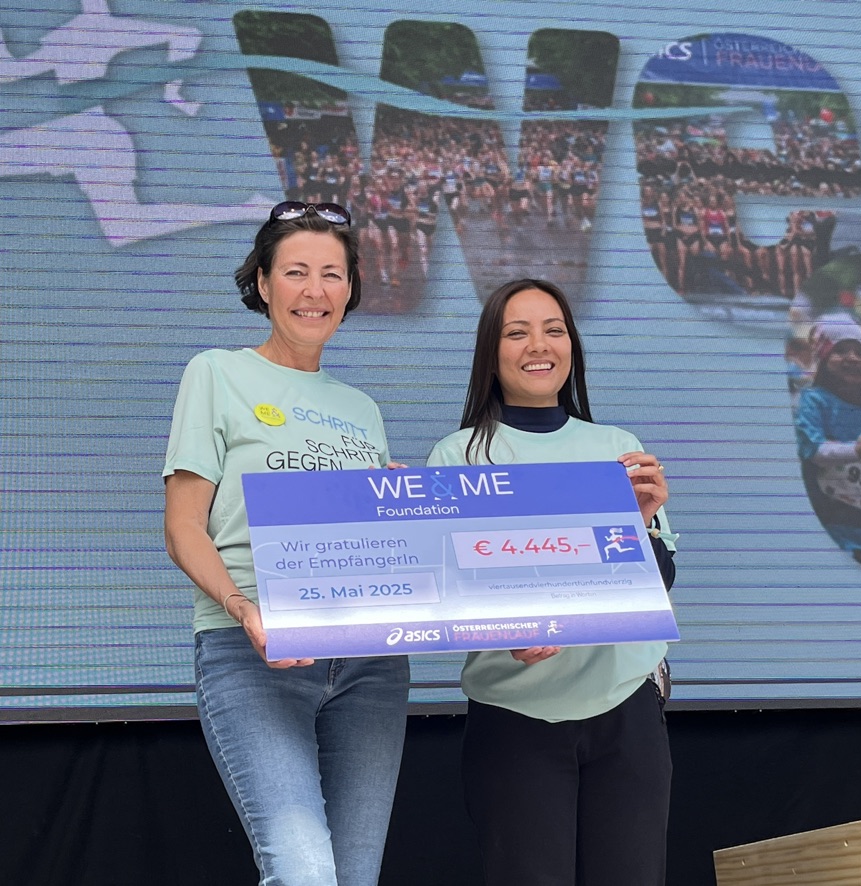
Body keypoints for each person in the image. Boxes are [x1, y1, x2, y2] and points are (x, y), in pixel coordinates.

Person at [163, 201, 410, 886]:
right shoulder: (216, 374)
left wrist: (404, 511)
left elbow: (370, 547)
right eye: (296, 272)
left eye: (332, 274)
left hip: (368, 666)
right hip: (251, 653)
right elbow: (183, 526)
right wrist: (245, 609)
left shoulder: (362, 409)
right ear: (264, 283)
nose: (315, 290)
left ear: (351, 288)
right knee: (302, 872)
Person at [426, 279, 677, 886]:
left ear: (573, 346)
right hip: (513, 718)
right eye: (517, 332)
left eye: (554, 329)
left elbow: (661, 575)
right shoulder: (459, 457)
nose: (539, 345)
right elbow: (443, 591)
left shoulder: (617, 448)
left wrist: (638, 526)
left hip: (626, 712)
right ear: (491, 352)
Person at [795, 312, 861, 573]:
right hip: (826, 518)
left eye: (860, 352)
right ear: (823, 360)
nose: (852, 357)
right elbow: (812, 449)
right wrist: (853, 451)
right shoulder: (813, 401)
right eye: (841, 351)